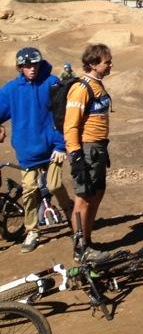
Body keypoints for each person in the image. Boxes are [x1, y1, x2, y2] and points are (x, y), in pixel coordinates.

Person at [0, 47, 73, 253]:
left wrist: (61, 145)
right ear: (20, 67)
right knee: (30, 190)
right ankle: (32, 230)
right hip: (27, 153)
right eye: (27, 66)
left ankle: (72, 216)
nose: (32, 69)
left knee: (55, 184)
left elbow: (61, 117)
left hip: (52, 149)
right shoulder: (11, 89)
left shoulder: (51, 84)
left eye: (35, 65)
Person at [64, 43, 114, 260]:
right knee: (83, 198)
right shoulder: (81, 88)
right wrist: (76, 156)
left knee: (96, 194)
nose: (110, 64)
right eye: (107, 61)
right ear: (93, 64)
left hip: (98, 147)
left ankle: (88, 240)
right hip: (86, 148)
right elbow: (71, 125)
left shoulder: (97, 85)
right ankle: (80, 248)